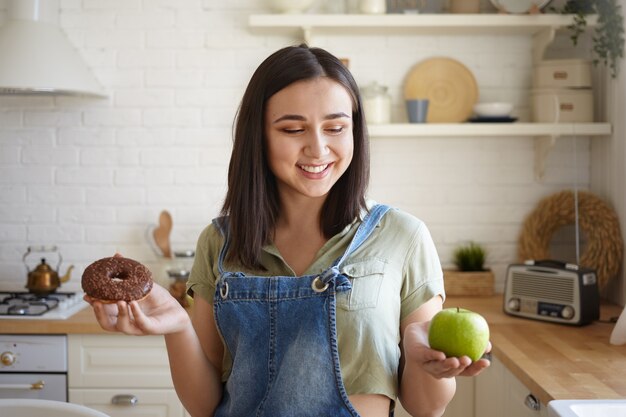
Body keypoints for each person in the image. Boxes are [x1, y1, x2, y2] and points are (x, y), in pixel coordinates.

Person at [86, 44, 491, 417]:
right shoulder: (220, 242)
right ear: (258, 137)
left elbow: (425, 407)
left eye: (335, 128)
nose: (317, 148)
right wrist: (176, 325)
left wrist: (432, 367)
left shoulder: (402, 236)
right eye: (293, 129)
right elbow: (203, 404)